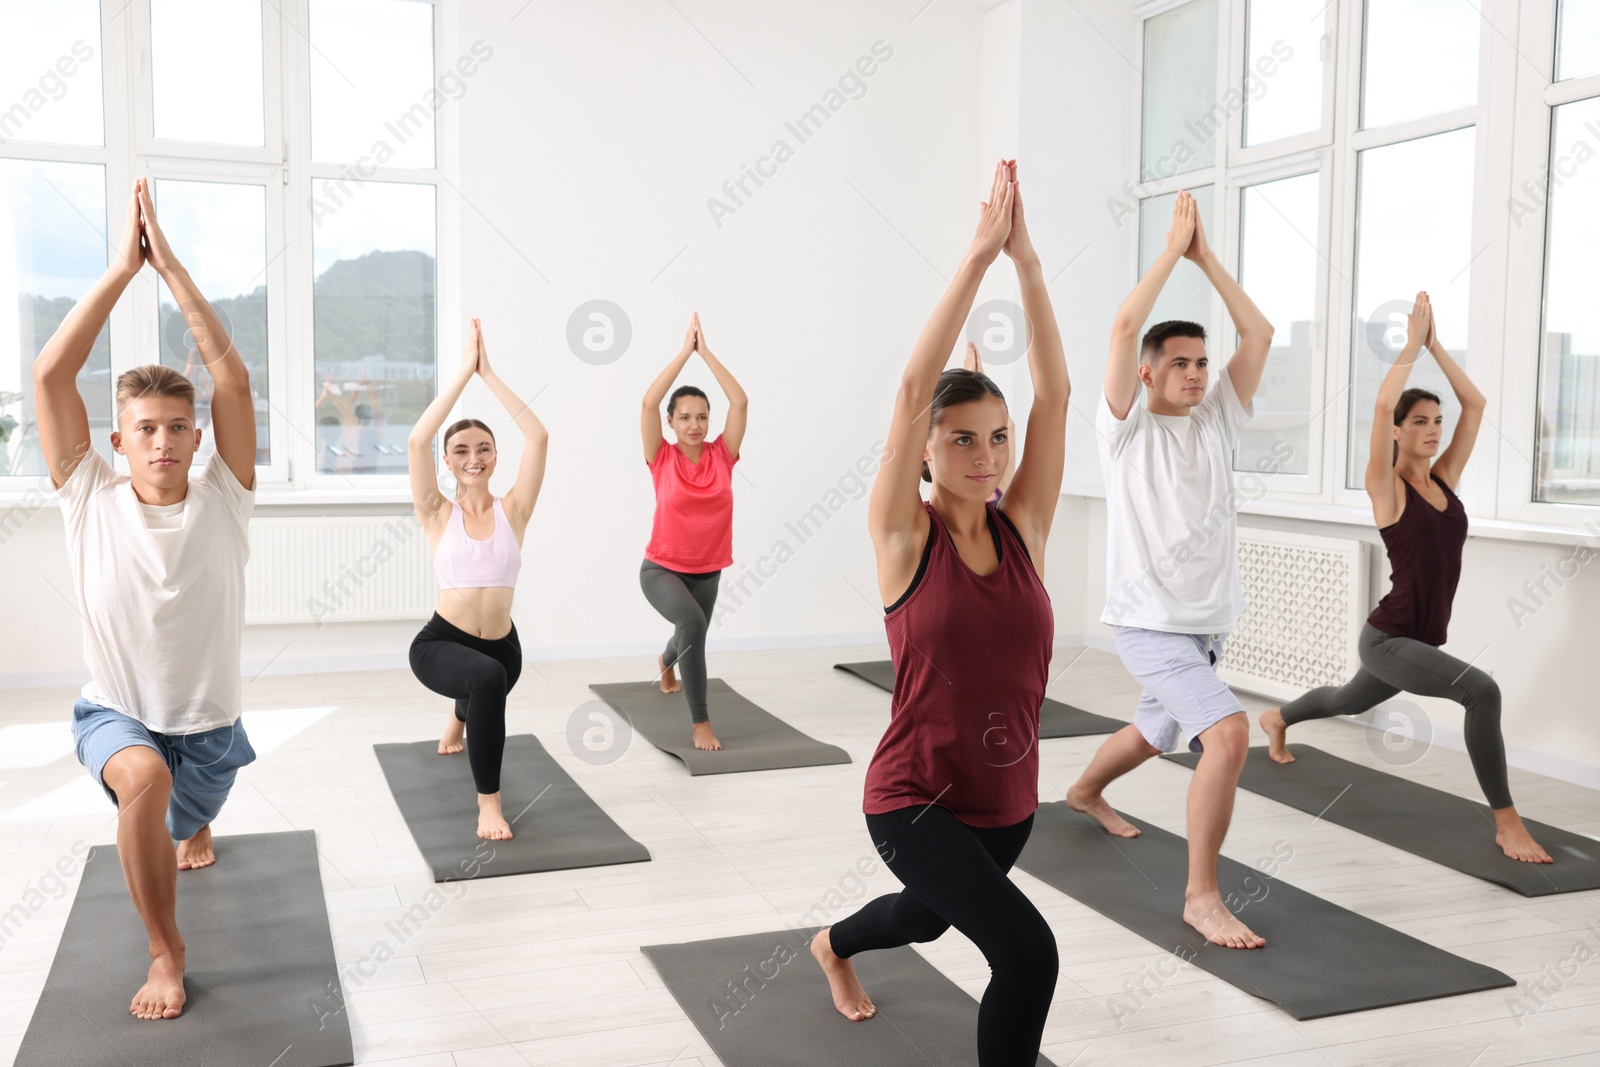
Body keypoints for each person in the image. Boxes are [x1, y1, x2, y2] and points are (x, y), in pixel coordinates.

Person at [812, 159, 1069, 1067]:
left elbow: (1059, 395)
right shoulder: (900, 535)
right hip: (913, 796)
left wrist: (1029, 266)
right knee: (1029, 955)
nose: (986, 453)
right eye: (962, 438)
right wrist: (978, 258)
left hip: (1007, 802)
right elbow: (911, 389)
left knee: (924, 919)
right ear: (924, 450)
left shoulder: (1026, 526)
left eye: (997, 437)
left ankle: (833, 943)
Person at [36, 179, 259, 1020]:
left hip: (210, 730)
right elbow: (51, 371)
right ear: (117, 439)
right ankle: (168, 950)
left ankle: (196, 825)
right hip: (116, 713)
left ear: (195, 436)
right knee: (143, 784)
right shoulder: (87, 493)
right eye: (144, 428)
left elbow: (230, 379)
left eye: (175, 426)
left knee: (181, 811)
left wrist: (172, 269)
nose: (161, 440)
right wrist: (121, 271)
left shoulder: (225, 493)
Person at [1259, 293, 1551, 863]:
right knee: (1481, 691)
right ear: (1397, 431)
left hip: (1416, 642)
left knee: (1346, 699)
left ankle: (1277, 718)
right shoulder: (1386, 487)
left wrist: (1438, 345)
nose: (1433, 429)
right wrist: (1411, 347)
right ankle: (1507, 821)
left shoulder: (1445, 479)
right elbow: (1381, 404)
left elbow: (1477, 403)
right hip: (1389, 638)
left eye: (1436, 422)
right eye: (1419, 422)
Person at [1064, 189, 1276, 950]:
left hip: (1205, 627)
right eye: (1179, 363)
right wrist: (1169, 254)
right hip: (1147, 622)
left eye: (1201, 362)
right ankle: (1201, 896)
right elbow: (1125, 326)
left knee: (1154, 732)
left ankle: (1086, 789)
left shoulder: (1218, 419)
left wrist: (1206, 259)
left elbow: (1260, 330)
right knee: (1226, 733)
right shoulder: (1123, 431)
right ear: (1149, 375)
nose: (1195, 372)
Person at [407, 319, 548, 841]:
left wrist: (490, 375)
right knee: (481, 679)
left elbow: (538, 435)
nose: (473, 458)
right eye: (461, 451)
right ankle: (489, 804)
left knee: (489, 676)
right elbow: (417, 439)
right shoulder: (436, 514)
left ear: (495, 456)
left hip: (503, 649)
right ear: (447, 461)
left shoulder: (516, 510)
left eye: (483, 448)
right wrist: (463, 374)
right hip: (441, 643)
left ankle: (460, 718)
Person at [638, 312, 747, 751]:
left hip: (709, 569)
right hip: (661, 569)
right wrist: (685, 353)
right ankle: (700, 722)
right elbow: (648, 403)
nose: (695, 425)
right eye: (685, 417)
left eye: (702, 417)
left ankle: (666, 662)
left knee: (693, 629)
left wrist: (708, 355)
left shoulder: (724, 455)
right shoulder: (660, 457)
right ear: (671, 422)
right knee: (691, 621)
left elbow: (740, 403)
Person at [962, 341, 1015, 504]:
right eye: (965, 441)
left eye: (997, 439)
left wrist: (982, 380)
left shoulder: (1002, 486)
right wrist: (968, 380)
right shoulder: (958, 494)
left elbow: (1009, 427)